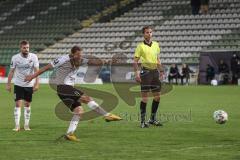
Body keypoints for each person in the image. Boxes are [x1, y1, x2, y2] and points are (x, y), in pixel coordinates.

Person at [25, 46, 122, 141]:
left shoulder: (80, 60)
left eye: (80, 55)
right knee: (87, 98)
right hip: (62, 87)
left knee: (79, 111)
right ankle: (107, 115)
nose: (79, 57)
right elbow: (45, 68)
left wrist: (108, 61)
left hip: (68, 88)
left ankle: (69, 134)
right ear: (72, 54)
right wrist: (32, 76)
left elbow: (94, 62)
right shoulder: (63, 59)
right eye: (77, 55)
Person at [133, 26, 163, 128]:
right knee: (145, 99)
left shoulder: (156, 45)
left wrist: (161, 70)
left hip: (155, 72)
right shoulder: (140, 46)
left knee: (157, 97)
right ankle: (142, 122)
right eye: (147, 32)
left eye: (150, 32)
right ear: (143, 34)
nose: (149, 34)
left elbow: (158, 59)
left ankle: (152, 119)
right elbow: (135, 62)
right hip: (145, 73)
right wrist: (137, 74)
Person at [6, 40, 39, 131]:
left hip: (29, 85)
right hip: (18, 84)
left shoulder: (34, 57)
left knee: (27, 104)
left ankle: (26, 125)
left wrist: (36, 83)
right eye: (24, 48)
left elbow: (37, 71)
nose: (26, 49)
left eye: (27, 47)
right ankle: (17, 125)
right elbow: (11, 71)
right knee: (18, 103)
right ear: (20, 48)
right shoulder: (15, 58)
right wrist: (8, 84)